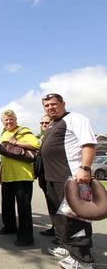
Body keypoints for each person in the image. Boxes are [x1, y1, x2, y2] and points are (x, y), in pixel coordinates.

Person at [40, 93, 97, 269]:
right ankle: (67, 248)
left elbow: (88, 144)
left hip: (70, 177)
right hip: (52, 178)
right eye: (47, 105)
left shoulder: (75, 119)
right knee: (60, 218)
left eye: (53, 104)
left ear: (63, 103)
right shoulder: (52, 124)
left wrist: (85, 168)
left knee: (75, 219)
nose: (50, 108)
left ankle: (82, 259)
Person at [0, 109, 40, 246]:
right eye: (6, 120)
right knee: (7, 204)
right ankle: (9, 227)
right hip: (7, 176)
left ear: (15, 120)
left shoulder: (23, 131)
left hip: (22, 176)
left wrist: (16, 142)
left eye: (11, 119)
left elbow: (36, 144)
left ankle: (26, 237)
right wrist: (1, 173)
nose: (9, 122)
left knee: (23, 208)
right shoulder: (3, 132)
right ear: (2, 122)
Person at [36, 114, 56, 237]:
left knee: (58, 204)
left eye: (47, 123)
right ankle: (55, 228)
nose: (44, 125)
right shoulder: (43, 137)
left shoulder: (56, 136)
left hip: (54, 175)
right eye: (42, 123)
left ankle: (61, 234)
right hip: (43, 175)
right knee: (51, 203)